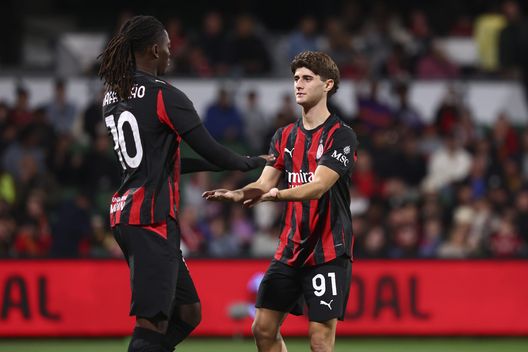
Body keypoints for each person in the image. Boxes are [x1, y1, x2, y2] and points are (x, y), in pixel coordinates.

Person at [98, 15, 270, 352]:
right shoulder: (165, 96)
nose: (170, 53)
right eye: (166, 47)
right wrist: (250, 162)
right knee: (153, 320)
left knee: (188, 312)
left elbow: (163, 161)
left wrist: (239, 162)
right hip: (151, 219)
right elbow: (212, 149)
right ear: (152, 50)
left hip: (130, 214)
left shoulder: (112, 97)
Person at [204, 51, 358, 352]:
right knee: (262, 329)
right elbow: (264, 183)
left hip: (327, 251)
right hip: (290, 250)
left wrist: (278, 195)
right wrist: (239, 194)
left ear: (327, 85)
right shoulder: (283, 136)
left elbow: (318, 187)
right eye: (296, 78)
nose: (298, 84)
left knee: (320, 342)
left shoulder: (342, 136)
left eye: (307, 78)